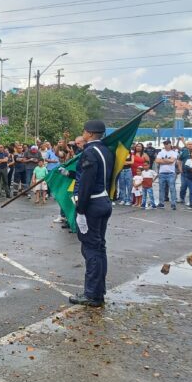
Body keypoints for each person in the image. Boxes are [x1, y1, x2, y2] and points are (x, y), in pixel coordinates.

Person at [69, 119, 114, 308]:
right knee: (99, 248)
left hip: (92, 204)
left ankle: (92, 295)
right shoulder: (106, 150)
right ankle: (98, 291)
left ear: (88, 133)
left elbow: (86, 182)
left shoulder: (89, 152)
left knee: (91, 249)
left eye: (84, 132)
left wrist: (80, 209)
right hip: (104, 200)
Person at [155, 139, 178, 210]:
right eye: (165, 144)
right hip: (162, 173)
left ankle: (173, 204)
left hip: (171, 173)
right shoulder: (161, 152)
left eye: (167, 143)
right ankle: (161, 203)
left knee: (172, 189)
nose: (166, 145)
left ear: (170, 144)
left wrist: (163, 159)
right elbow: (157, 161)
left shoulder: (174, 152)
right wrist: (167, 160)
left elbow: (172, 161)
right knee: (161, 189)